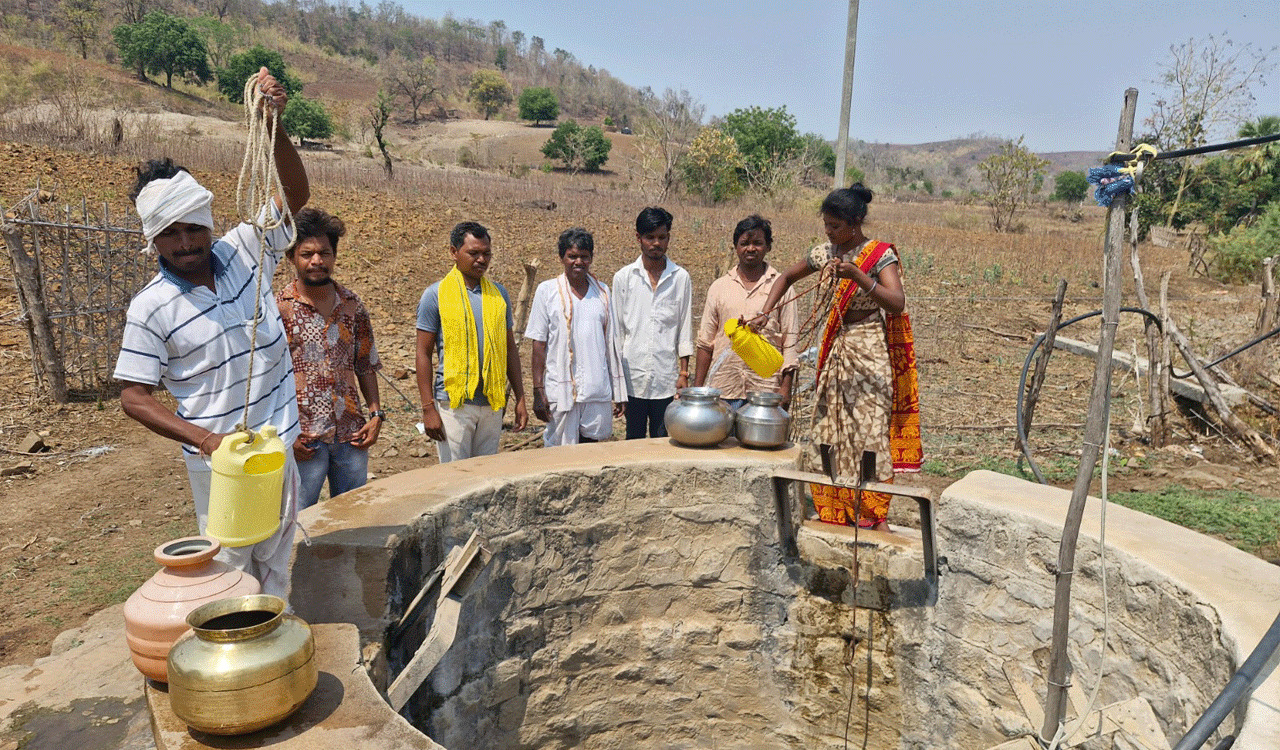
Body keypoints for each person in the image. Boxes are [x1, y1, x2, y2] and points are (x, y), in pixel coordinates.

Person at [113, 68, 309, 598]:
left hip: (278, 446)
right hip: (218, 463)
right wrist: (204, 439)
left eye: (193, 227)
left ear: (208, 223)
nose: (184, 242)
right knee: (232, 573)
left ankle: (280, 648)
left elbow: (296, 191)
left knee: (280, 560)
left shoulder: (249, 248)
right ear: (154, 240)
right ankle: (243, 666)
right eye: (170, 234)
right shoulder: (151, 307)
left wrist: (274, 126)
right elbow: (133, 396)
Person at [758, 183, 922, 530]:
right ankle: (834, 508)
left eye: (835, 226)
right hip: (836, 349)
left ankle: (873, 513)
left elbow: (896, 301)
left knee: (869, 431)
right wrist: (765, 312)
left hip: (869, 349)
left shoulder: (878, 256)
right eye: (827, 226)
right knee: (828, 427)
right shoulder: (826, 253)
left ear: (855, 222)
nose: (830, 232)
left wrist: (861, 278)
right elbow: (787, 276)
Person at [277, 208, 383, 509]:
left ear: (334, 257)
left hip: (352, 435)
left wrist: (376, 415)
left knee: (351, 517)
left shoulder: (351, 305)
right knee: (297, 521)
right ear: (291, 258)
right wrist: (287, 435)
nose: (316, 261)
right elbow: (268, 378)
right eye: (307, 253)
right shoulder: (279, 309)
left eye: (324, 253)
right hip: (304, 437)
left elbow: (365, 363)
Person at [416, 221, 528, 462]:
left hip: (492, 403)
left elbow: (509, 350)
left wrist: (520, 398)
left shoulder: (498, 295)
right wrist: (428, 408)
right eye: (473, 253)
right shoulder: (435, 295)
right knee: (456, 478)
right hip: (454, 405)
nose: (481, 260)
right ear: (453, 252)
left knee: (485, 478)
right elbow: (423, 353)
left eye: (486, 254)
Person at [526, 228, 627, 446]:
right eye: (572, 256)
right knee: (559, 453)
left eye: (584, 256)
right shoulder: (547, 291)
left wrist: (619, 391)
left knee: (591, 451)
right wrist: (537, 390)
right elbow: (539, 344)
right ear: (562, 257)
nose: (578, 262)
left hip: (596, 388)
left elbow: (611, 343)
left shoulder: (603, 293)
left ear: (591, 258)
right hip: (560, 389)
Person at [693, 214, 799, 409]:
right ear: (736, 247)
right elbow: (706, 343)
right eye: (744, 243)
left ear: (768, 247)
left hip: (765, 391)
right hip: (724, 389)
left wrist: (785, 390)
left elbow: (790, 342)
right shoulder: (719, 287)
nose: (751, 248)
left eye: (758, 243)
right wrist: (697, 391)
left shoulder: (782, 288)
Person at [611, 206, 694, 439]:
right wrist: (617, 384)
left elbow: (684, 329)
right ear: (638, 238)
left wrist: (684, 374)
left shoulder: (680, 278)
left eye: (662, 237)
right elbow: (617, 333)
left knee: (663, 441)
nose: (656, 243)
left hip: (666, 380)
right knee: (633, 439)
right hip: (632, 378)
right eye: (650, 237)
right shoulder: (624, 278)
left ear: (669, 238)